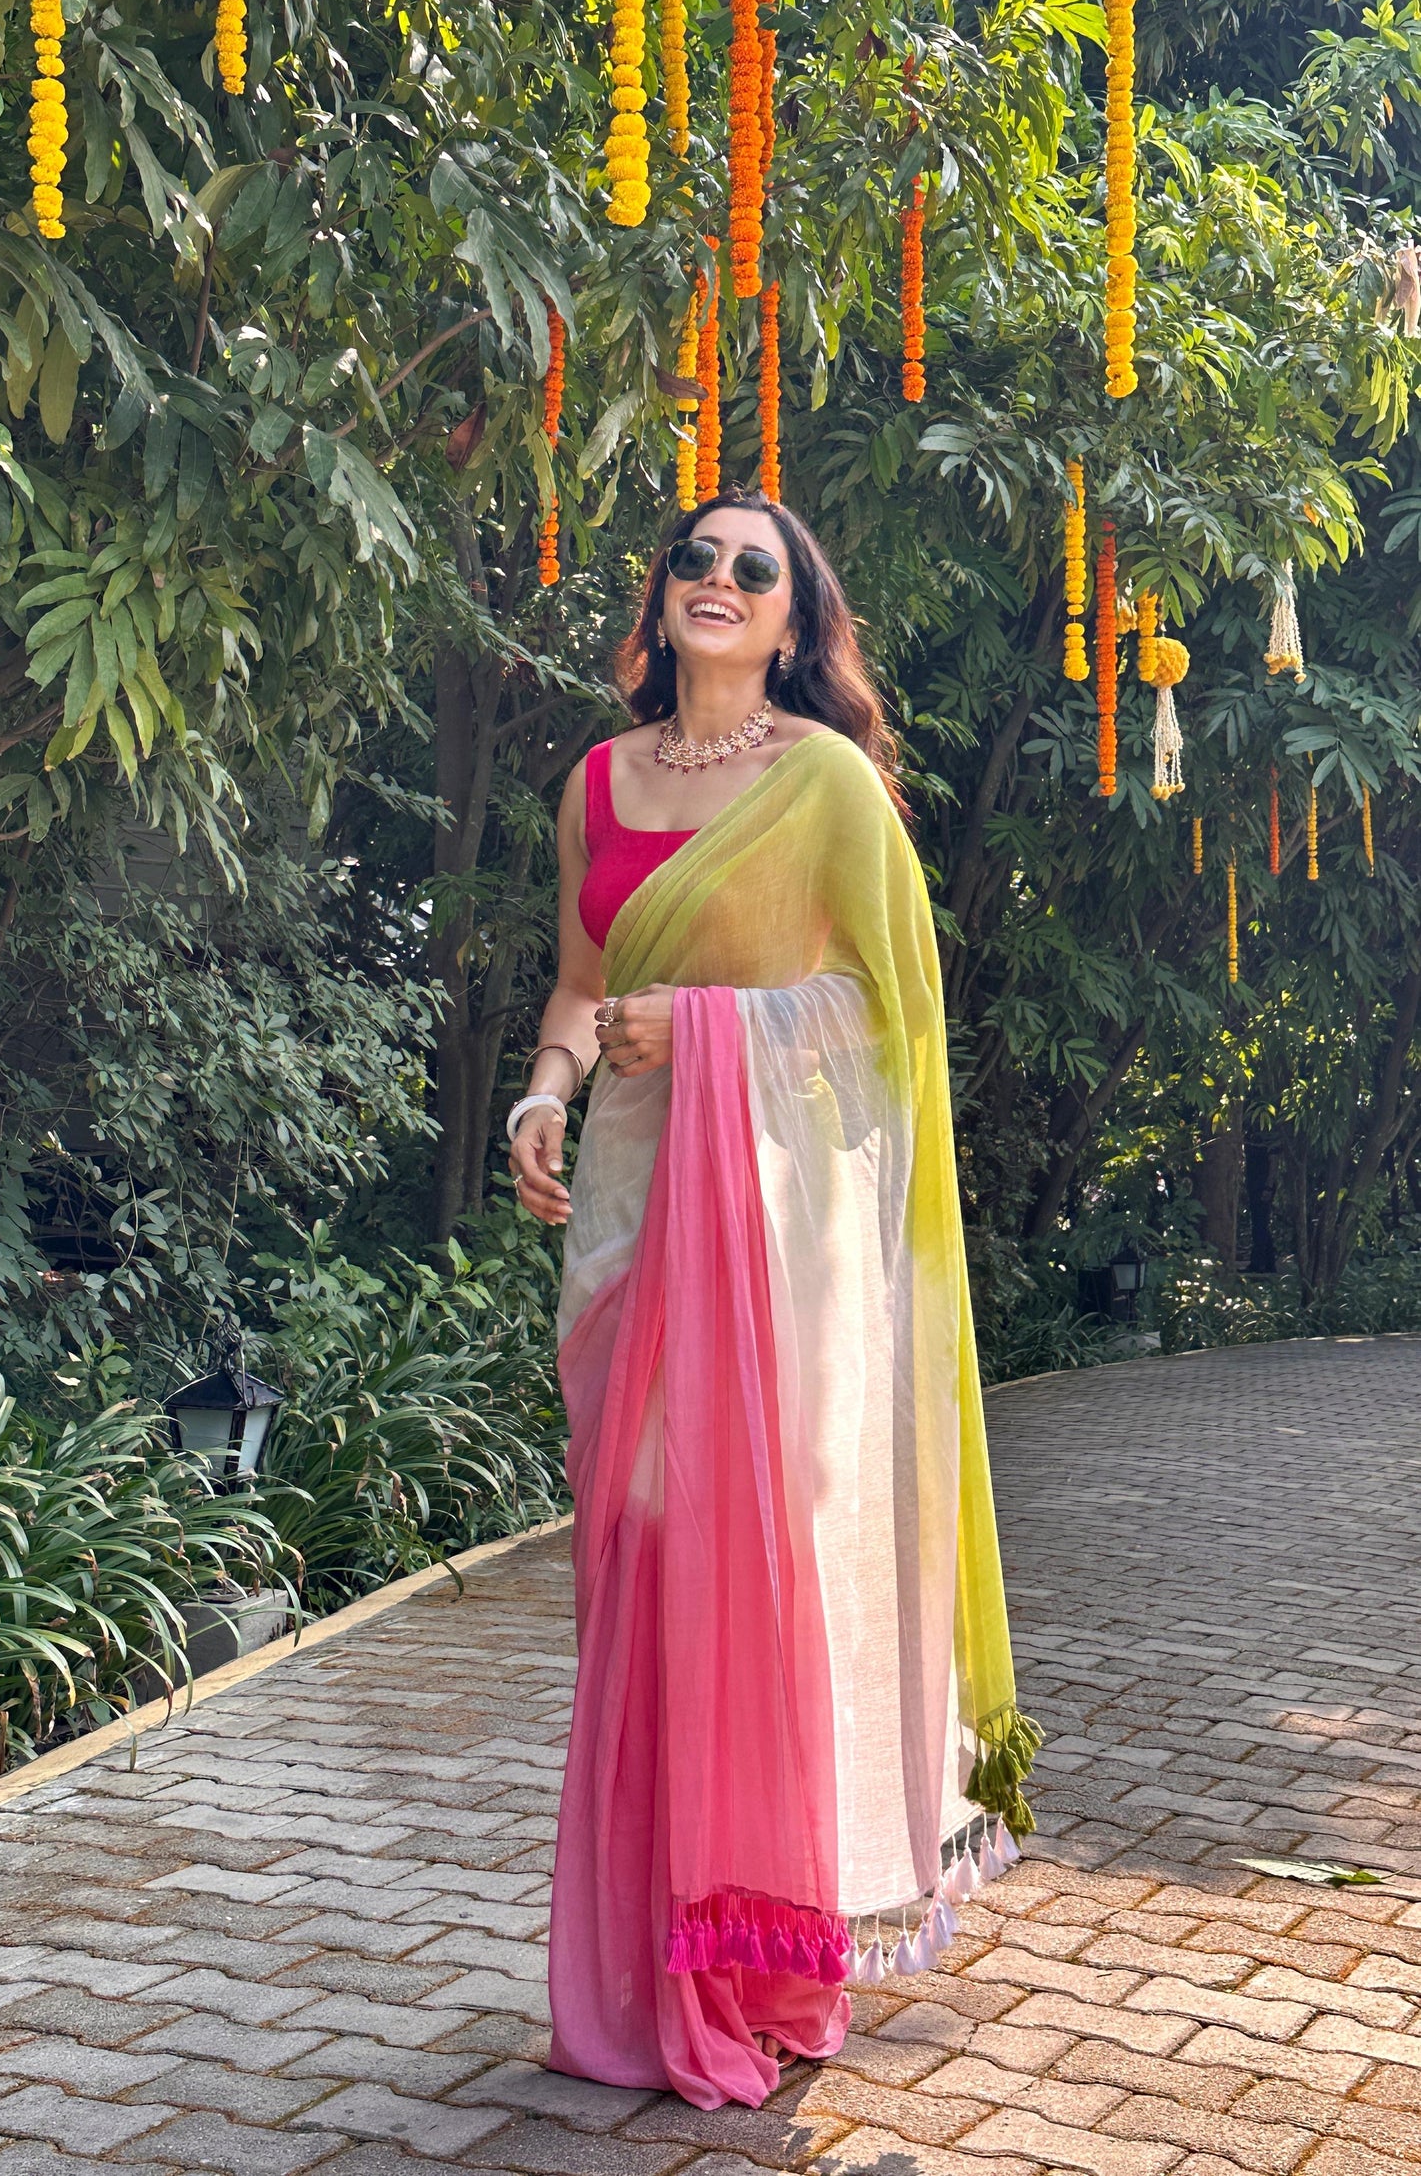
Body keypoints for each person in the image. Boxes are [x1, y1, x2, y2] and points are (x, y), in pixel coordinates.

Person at [507, 491, 1037, 2111]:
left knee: (743, 1566)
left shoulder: (824, 786)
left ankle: (754, 1962)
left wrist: (722, 1032)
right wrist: (543, 1091)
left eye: (756, 568)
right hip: (623, 1215)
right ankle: (643, 1960)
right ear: (658, 596)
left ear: (796, 624)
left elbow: (894, 1022)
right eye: (695, 559)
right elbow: (586, 987)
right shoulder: (596, 782)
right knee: (639, 1562)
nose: (717, 581)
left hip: (768, 1243)